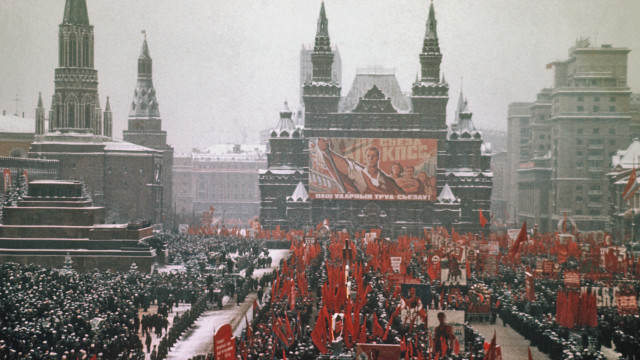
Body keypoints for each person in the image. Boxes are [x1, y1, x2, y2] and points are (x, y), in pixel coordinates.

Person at [315, 138, 404, 196]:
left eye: (374, 156)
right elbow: (343, 164)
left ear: (378, 158)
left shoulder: (387, 181)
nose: (371, 158)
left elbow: (401, 195)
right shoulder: (358, 173)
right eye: (368, 156)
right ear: (365, 158)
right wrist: (326, 152)